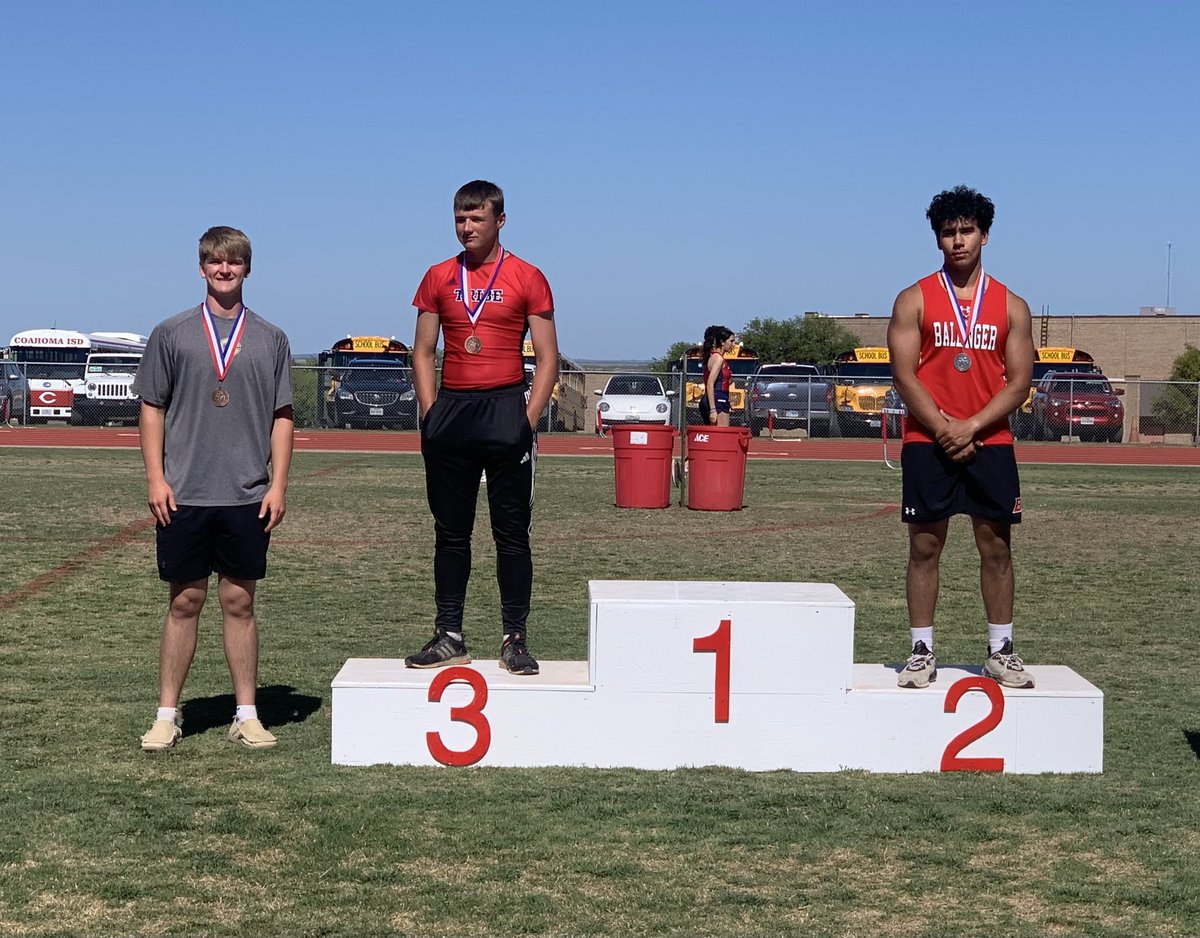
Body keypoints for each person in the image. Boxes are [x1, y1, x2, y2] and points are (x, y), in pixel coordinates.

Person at [135, 226, 294, 750]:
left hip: (247, 493)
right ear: (201, 268)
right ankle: (166, 714)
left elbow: (282, 415)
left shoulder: (271, 337)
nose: (225, 270)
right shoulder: (172, 332)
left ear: (248, 268)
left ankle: (246, 713)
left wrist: (279, 484)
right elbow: (152, 407)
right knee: (184, 600)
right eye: (215, 262)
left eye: (235, 262)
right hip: (184, 493)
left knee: (239, 602)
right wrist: (156, 477)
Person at [405, 180, 558, 676]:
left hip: (504, 409)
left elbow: (549, 358)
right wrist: (430, 414)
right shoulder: (437, 276)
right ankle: (449, 633)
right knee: (450, 534)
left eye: (476, 219)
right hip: (451, 412)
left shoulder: (528, 276)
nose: (466, 228)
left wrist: (525, 420)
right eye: (459, 219)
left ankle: (515, 637)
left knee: (512, 535)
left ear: (500, 221)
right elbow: (424, 350)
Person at [886, 186, 1035, 690]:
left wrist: (970, 426)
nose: (957, 240)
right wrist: (945, 426)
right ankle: (922, 650)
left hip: (989, 440)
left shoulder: (1012, 305)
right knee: (925, 545)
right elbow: (904, 375)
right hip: (927, 440)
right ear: (938, 240)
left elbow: (1018, 382)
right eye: (948, 232)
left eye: (966, 230)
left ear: (985, 235)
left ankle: (1001, 650)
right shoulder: (914, 299)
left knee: (996, 547)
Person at [699, 325, 735, 426]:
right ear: (722, 342)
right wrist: (713, 410)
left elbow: (727, 380)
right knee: (721, 436)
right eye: (731, 341)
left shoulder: (713, 357)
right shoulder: (718, 358)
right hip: (718, 397)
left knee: (714, 435)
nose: (733, 344)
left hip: (719, 397)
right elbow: (710, 383)